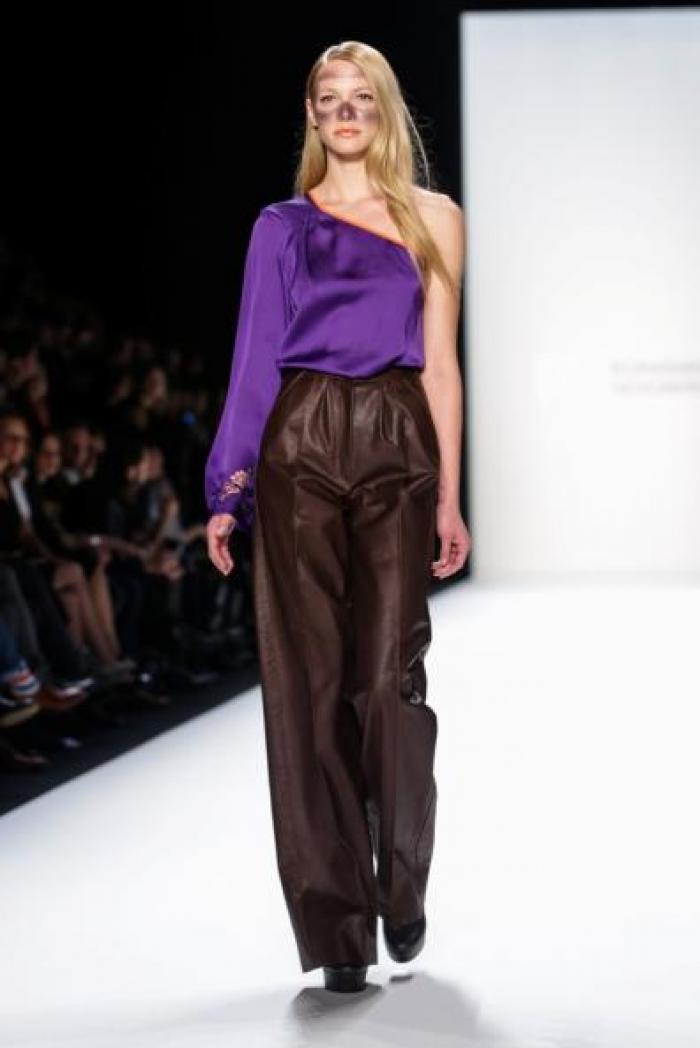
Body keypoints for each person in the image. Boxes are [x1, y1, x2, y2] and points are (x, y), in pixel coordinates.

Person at [204, 41, 471, 993]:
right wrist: (229, 488)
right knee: (307, 685)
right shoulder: (280, 226)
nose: (346, 110)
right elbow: (254, 357)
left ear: (384, 110)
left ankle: (400, 879)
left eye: (362, 96)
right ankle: (338, 929)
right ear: (313, 115)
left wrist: (450, 494)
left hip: (398, 435)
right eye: (330, 97)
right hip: (301, 442)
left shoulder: (435, 217)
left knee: (388, 675)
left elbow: (440, 363)